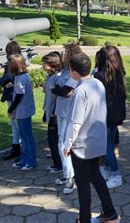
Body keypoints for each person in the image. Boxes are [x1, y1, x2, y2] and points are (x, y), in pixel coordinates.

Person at [63, 53, 120, 223]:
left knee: (82, 185)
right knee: (96, 177)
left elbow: (75, 123)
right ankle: (110, 213)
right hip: (96, 142)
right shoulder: (97, 83)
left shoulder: (80, 91)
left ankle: (85, 218)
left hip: (81, 146)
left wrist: (67, 145)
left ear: (74, 72)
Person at [94, 46, 127, 189]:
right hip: (117, 114)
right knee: (110, 141)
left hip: (106, 115)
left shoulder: (100, 76)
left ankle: (115, 174)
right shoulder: (119, 72)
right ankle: (106, 169)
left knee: (106, 145)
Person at [53, 43, 82, 195]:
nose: (62, 56)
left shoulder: (74, 73)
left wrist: (53, 90)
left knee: (64, 145)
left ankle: (71, 178)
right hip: (60, 111)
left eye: (65, 53)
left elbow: (66, 92)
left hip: (68, 113)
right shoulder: (64, 71)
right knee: (61, 143)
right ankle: (66, 175)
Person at [8, 54, 37, 171]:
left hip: (24, 111)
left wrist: (11, 109)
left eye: (10, 63)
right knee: (23, 137)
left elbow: (19, 96)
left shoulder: (22, 78)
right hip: (21, 111)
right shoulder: (19, 77)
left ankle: (31, 161)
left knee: (27, 137)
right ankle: (24, 159)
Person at [0, 41, 23, 161]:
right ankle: (16, 145)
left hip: (13, 95)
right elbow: (4, 80)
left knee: (15, 122)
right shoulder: (18, 61)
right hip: (12, 94)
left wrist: (2, 81)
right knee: (15, 122)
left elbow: (6, 78)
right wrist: (3, 81)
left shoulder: (12, 63)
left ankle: (17, 147)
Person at [42, 52, 63, 174]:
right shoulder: (50, 77)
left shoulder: (57, 78)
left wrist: (53, 113)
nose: (43, 65)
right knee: (51, 140)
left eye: (45, 63)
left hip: (54, 114)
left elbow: (57, 98)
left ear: (52, 65)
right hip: (49, 112)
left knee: (54, 140)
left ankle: (58, 164)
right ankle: (56, 162)